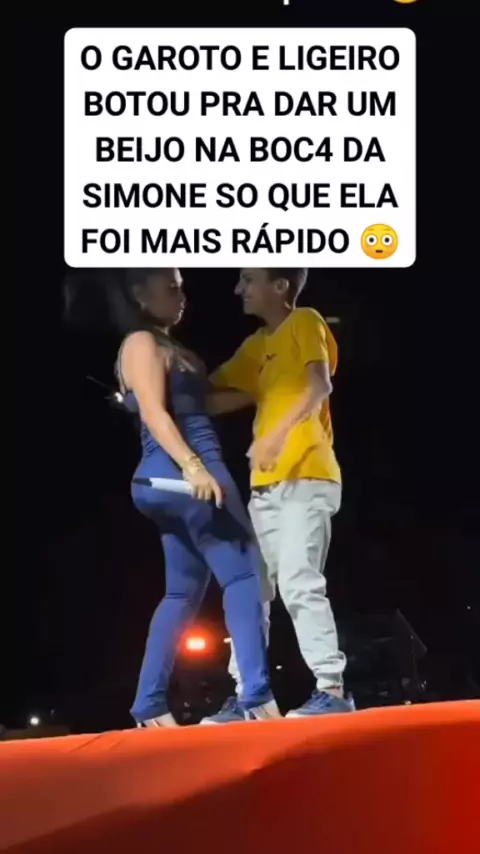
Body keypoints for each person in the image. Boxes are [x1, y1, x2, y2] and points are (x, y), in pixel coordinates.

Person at [111, 268, 280, 727]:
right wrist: (194, 466)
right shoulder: (141, 343)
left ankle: (149, 706)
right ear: (140, 294)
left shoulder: (171, 348)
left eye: (181, 285)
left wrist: (263, 389)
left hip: (170, 482)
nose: (181, 294)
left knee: (181, 592)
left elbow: (200, 405)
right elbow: (153, 411)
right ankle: (257, 696)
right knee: (244, 576)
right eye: (171, 287)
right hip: (185, 472)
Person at [203, 268, 353, 722]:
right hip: (264, 489)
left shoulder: (305, 321)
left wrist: (275, 436)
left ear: (280, 286)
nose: (239, 289)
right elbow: (213, 396)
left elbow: (319, 384)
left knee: (299, 581)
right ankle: (249, 696)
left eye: (249, 280)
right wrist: (154, 393)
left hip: (308, 475)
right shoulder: (256, 347)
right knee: (252, 591)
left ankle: (332, 688)